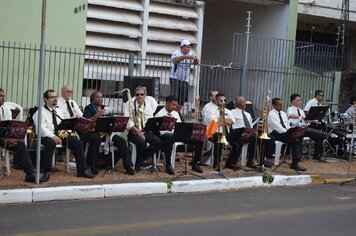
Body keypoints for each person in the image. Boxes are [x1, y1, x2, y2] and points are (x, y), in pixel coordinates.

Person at [32, 89, 95, 182]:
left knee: (77, 143)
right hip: (45, 136)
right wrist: (53, 136)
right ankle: (47, 171)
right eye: (52, 97)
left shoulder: (59, 111)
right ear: (45, 99)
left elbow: (63, 125)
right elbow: (41, 129)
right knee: (50, 143)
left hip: (59, 134)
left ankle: (82, 170)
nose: (55, 99)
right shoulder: (39, 112)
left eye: (55, 97)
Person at [83, 91, 135, 175]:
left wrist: (113, 127)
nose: (100, 99)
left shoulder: (105, 108)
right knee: (95, 139)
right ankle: (92, 166)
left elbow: (111, 121)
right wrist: (97, 115)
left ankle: (128, 166)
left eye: (101, 97)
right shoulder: (89, 108)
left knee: (121, 141)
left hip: (107, 133)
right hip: (93, 132)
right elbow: (87, 122)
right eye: (97, 97)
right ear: (92, 99)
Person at [155, 95, 203, 175]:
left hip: (178, 135)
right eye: (173, 105)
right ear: (167, 103)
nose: (175, 107)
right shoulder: (159, 114)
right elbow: (161, 131)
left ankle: (195, 163)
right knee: (169, 136)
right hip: (166, 136)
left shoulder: (176, 113)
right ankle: (168, 165)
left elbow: (180, 126)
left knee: (198, 139)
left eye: (176, 105)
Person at [0, 88, 37, 183]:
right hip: (2, 139)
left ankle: (30, 174)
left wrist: (12, 138)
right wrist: (4, 141)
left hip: (5, 137)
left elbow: (10, 126)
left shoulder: (6, 109)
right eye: (0, 96)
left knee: (20, 145)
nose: (3, 98)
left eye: (3, 96)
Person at [124, 86, 162, 171]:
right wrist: (138, 132)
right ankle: (137, 164)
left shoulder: (148, 105)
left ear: (145, 95)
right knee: (141, 142)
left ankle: (140, 160)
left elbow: (150, 120)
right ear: (135, 95)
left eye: (142, 94)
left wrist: (144, 132)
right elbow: (128, 121)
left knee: (158, 142)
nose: (139, 96)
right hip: (134, 132)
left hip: (145, 131)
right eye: (137, 95)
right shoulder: (129, 104)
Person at [268, 97, 306, 171]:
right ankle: (295, 163)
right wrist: (288, 132)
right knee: (294, 140)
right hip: (276, 133)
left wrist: (289, 131)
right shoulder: (271, 114)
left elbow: (287, 124)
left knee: (298, 136)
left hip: (285, 132)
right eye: (279, 104)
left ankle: (296, 160)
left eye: (282, 104)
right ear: (274, 105)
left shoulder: (283, 113)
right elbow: (276, 126)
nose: (281, 106)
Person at [287, 93, 325, 162]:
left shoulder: (301, 111)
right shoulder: (290, 109)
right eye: (298, 100)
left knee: (320, 136)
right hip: (295, 129)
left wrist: (310, 119)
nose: (300, 102)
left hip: (304, 128)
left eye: (300, 100)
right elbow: (290, 115)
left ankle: (317, 155)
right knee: (299, 136)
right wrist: (300, 117)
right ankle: (298, 156)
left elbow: (305, 120)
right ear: (293, 101)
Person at [203, 92, 235, 170]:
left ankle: (231, 162)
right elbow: (214, 122)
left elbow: (232, 121)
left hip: (225, 132)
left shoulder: (228, 111)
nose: (223, 102)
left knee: (239, 137)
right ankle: (216, 163)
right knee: (218, 138)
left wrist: (221, 120)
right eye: (221, 100)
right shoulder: (211, 110)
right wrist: (225, 121)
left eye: (225, 100)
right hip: (213, 132)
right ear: (216, 101)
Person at [227, 96, 257, 170]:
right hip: (238, 134)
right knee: (239, 141)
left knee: (256, 138)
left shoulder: (248, 114)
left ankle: (250, 161)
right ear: (238, 104)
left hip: (248, 133)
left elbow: (250, 126)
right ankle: (233, 162)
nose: (245, 104)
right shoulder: (232, 112)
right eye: (243, 102)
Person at [170, 39, 199, 105]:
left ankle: (178, 111)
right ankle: (174, 110)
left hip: (184, 79)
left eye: (190, 47)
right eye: (187, 47)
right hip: (175, 78)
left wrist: (196, 60)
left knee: (182, 97)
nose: (189, 49)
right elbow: (175, 60)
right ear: (182, 47)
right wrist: (185, 57)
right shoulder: (176, 52)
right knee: (175, 96)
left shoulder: (191, 53)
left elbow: (196, 63)